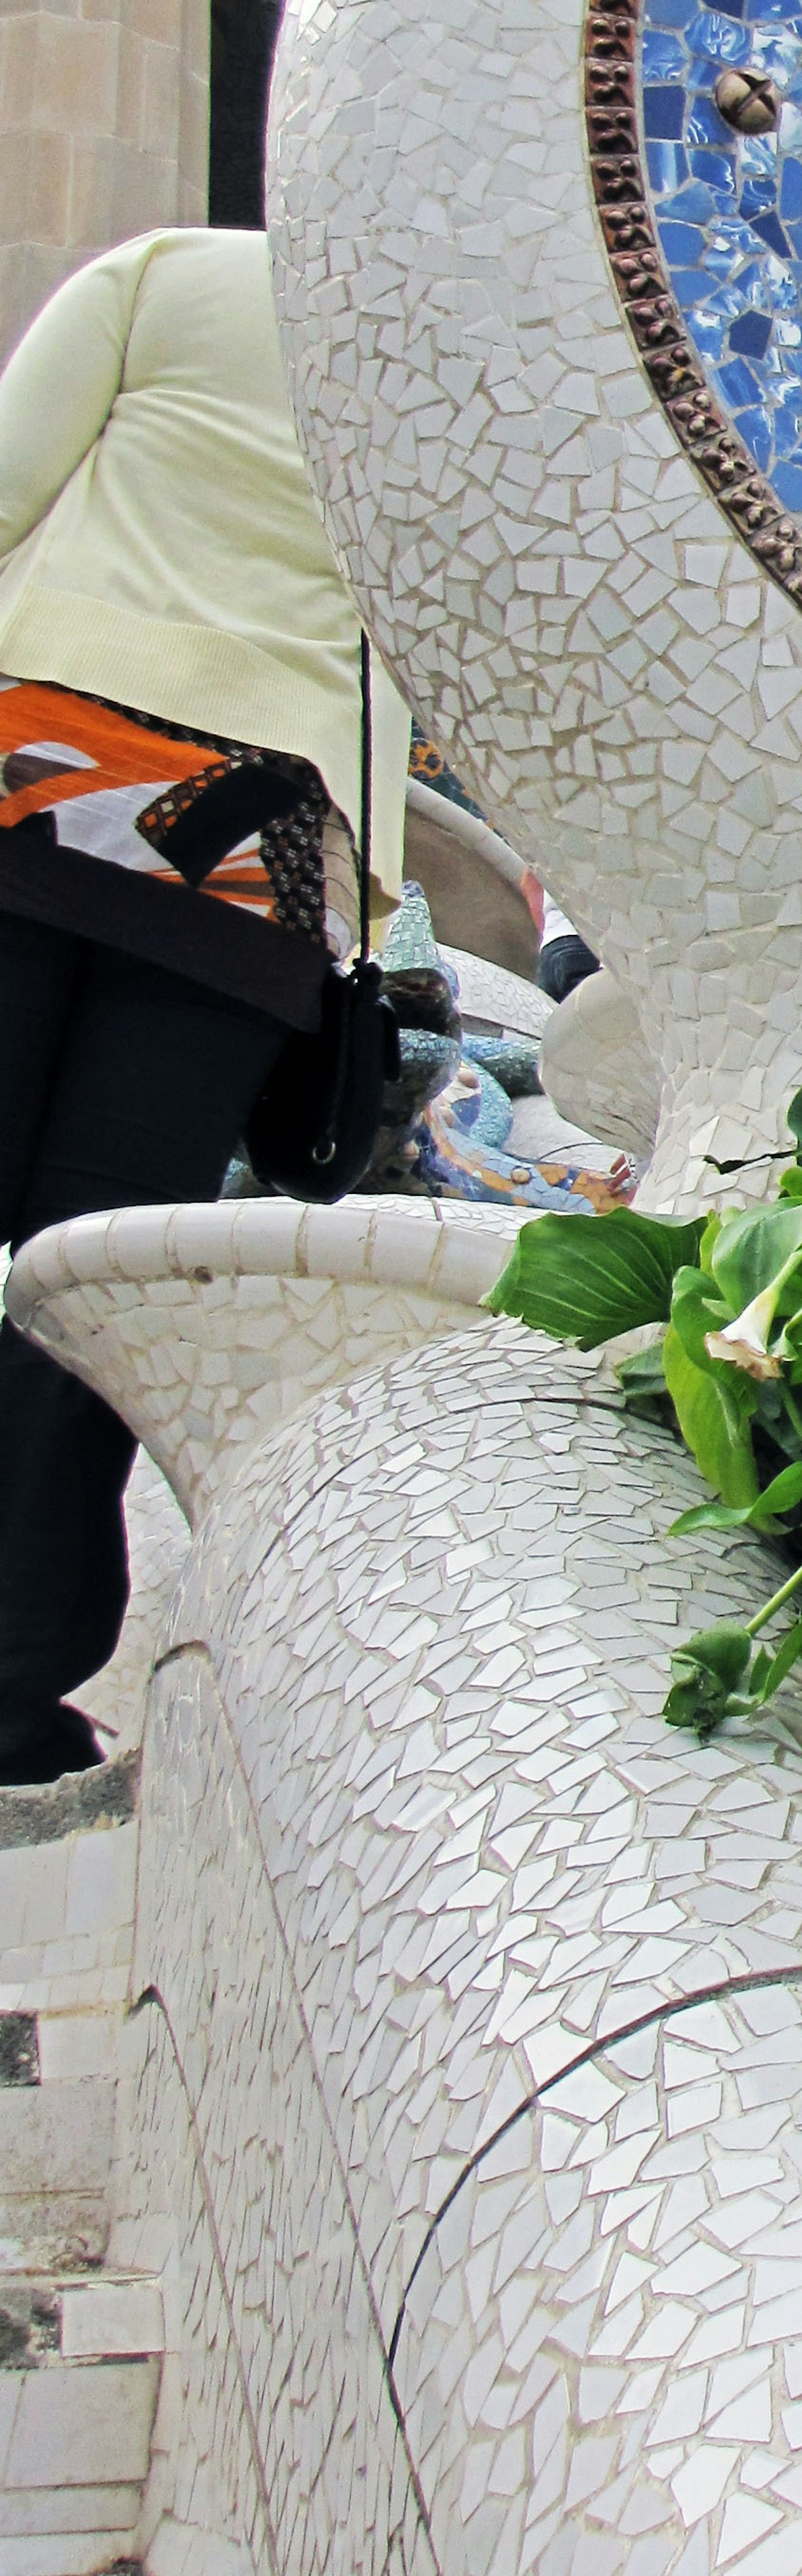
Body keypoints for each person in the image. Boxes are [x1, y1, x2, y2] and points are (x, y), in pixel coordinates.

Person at [0, 228, 408, 1784]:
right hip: (255, 817)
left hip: (45, 748)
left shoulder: (163, 269)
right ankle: (12, 1682)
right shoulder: (427, 364)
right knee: (98, 1260)